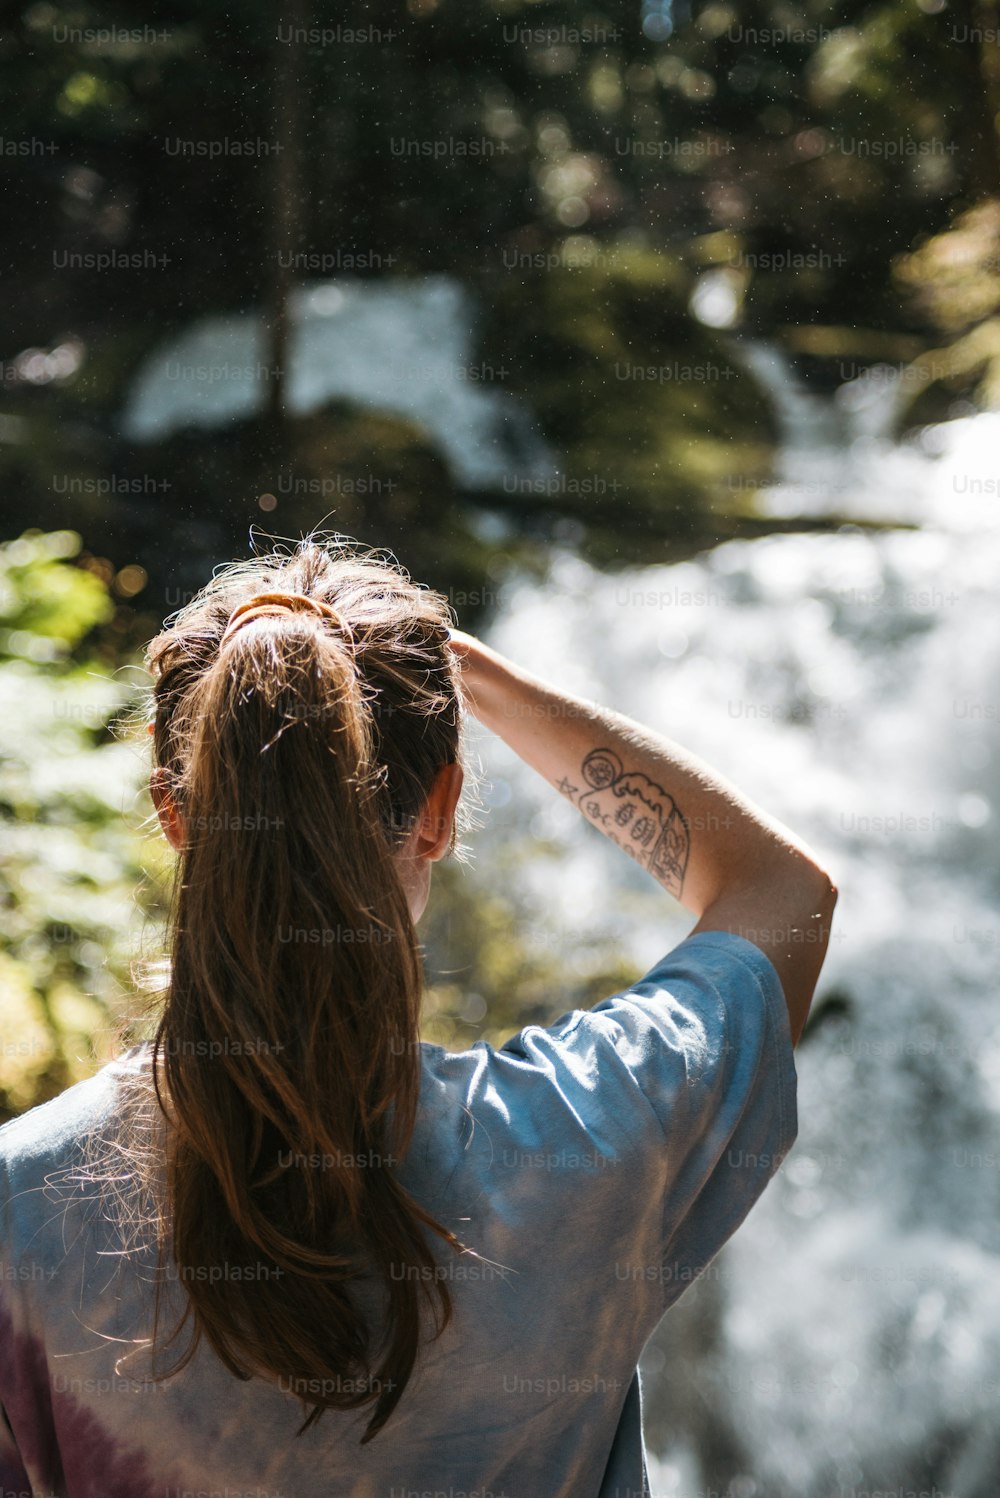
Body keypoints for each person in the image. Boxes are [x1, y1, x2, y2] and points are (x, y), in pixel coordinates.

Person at [0, 535, 837, 1497]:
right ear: (441, 806)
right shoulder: (588, 1132)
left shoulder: (21, 1212)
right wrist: (477, 677)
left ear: (176, 815)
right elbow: (784, 891)